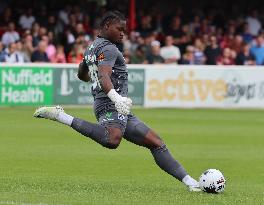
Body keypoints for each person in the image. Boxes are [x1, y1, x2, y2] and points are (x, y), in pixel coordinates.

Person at [33, 11, 200, 192]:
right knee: (112, 139)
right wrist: (115, 96)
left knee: (156, 143)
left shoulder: (92, 47)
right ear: (106, 26)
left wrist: (98, 79)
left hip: (114, 105)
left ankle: (191, 183)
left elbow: (82, 74)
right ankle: (61, 116)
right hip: (111, 104)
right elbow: (104, 75)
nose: (123, 33)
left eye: (124, 30)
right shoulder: (110, 48)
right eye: (119, 29)